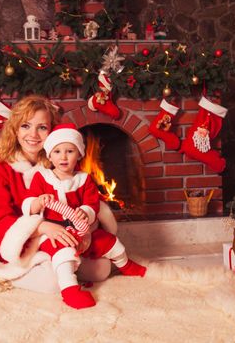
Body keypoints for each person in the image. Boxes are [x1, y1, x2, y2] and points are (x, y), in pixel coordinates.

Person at [0, 95, 118, 293]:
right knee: (53, 283)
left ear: (52, 132)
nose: (33, 134)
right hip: (22, 242)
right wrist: (42, 227)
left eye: (42, 127)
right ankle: (2, 273)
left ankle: (61, 265)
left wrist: (86, 229)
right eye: (25, 126)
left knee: (102, 270)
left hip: (63, 235)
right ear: (15, 129)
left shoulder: (61, 159)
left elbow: (84, 201)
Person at [23, 124, 146, 309]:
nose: (63, 157)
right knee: (64, 253)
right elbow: (28, 205)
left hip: (82, 229)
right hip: (55, 233)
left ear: (79, 154)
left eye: (70, 151)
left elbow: (92, 204)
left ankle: (125, 264)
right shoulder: (43, 177)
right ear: (49, 155)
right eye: (57, 151)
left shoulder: (84, 179)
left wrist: (86, 212)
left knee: (109, 241)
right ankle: (70, 290)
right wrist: (39, 202)